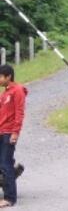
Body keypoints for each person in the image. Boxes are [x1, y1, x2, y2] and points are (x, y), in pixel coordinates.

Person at [0, 65, 27, 208]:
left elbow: (19, 113)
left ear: (8, 76)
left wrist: (15, 133)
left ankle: (10, 198)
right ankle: (13, 172)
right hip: (1, 131)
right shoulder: (5, 93)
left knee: (5, 164)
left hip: (8, 133)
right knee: (4, 163)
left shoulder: (17, 91)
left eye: (0, 76)